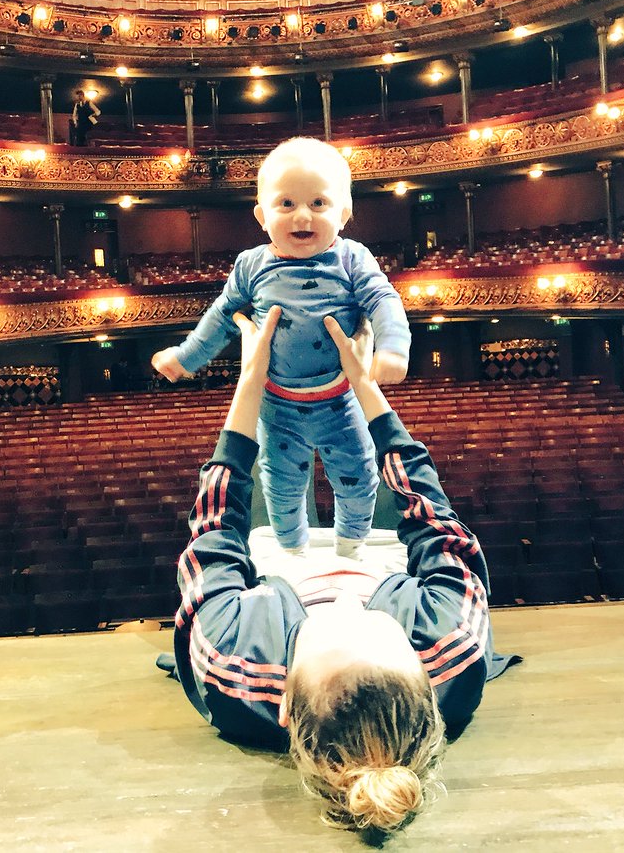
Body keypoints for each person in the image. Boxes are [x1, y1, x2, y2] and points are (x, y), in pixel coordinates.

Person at [168, 307, 520, 833]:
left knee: (270, 460)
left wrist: (251, 381)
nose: (348, 603)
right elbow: (435, 522)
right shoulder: (454, 649)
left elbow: (214, 531)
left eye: (334, 626)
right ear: (430, 683)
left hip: (276, 568)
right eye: (376, 623)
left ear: (285, 703)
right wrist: (362, 384)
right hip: (381, 559)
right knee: (374, 464)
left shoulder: (231, 663)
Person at [152, 137, 410, 559]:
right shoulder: (251, 265)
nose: (302, 215)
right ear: (261, 215)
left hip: (340, 401)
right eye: (286, 204)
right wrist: (186, 357)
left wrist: (394, 348)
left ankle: (349, 548)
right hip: (278, 405)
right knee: (281, 483)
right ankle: (293, 554)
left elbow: (383, 300)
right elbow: (222, 316)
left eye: (319, 204)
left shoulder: (352, 258)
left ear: (344, 214)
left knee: (359, 477)